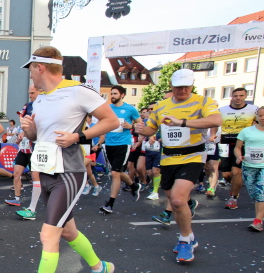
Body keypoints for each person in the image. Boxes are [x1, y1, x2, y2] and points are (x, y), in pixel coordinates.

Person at [7, 47, 119, 273]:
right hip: (46, 171)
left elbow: (112, 120)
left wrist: (79, 137)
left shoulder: (78, 91)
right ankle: (100, 268)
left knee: (49, 235)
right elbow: (40, 137)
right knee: (68, 232)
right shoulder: (40, 100)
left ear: (40, 67)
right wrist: (30, 131)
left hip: (69, 173)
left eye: (30, 69)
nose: (30, 75)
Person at [135, 69, 221, 262]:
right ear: (171, 86)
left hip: (192, 156)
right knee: (174, 199)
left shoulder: (202, 101)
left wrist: (182, 122)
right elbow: (151, 129)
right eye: (178, 86)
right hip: (168, 158)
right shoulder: (161, 105)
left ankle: (184, 240)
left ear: (192, 85)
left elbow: (216, 120)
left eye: (186, 86)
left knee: (177, 200)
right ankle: (190, 236)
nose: (183, 90)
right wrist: (141, 129)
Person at [98, 85, 142, 214]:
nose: (112, 96)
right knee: (117, 172)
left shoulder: (130, 109)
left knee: (115, 173)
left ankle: (110, 204)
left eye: (115, 94)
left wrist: (131, 126)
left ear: (122, 95)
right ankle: (134, 186)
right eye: (111, 94)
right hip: (109, 143)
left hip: (123, 143)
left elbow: (140, 124)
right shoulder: (108, 109)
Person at [5, 86, 43, 219]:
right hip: (24, 148)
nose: (30, 95)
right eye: (29, 93)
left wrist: (27, 133)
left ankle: (33, 208)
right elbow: (23, 126)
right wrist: (20, 135)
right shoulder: (29, 106)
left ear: (40, 92)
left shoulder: (46, 105)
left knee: (36, 176)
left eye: (32, 93)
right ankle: (17, 199)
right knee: (16, 173)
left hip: (37, 146)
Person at [218, 88, 258, 210]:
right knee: (226, 174)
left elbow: (259, 122)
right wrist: (214, 135)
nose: (238, 98)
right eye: (235, 96)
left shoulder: (254, 109)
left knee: (236, 171)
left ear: (245, 96)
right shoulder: (223, 110)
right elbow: (216, 123)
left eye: (241, 95)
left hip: (243, 144)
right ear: (232, 96)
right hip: (225, 143)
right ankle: (235, 186)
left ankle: (233, 198)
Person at [234, 107, 264, 231]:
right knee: (254, 193)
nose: (263, 118)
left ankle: (258, 221)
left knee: (261, 192)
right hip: (249, 166)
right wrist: (238, 156)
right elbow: (237, 148)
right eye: (260, 115)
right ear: (256, 116)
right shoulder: (246, 131)